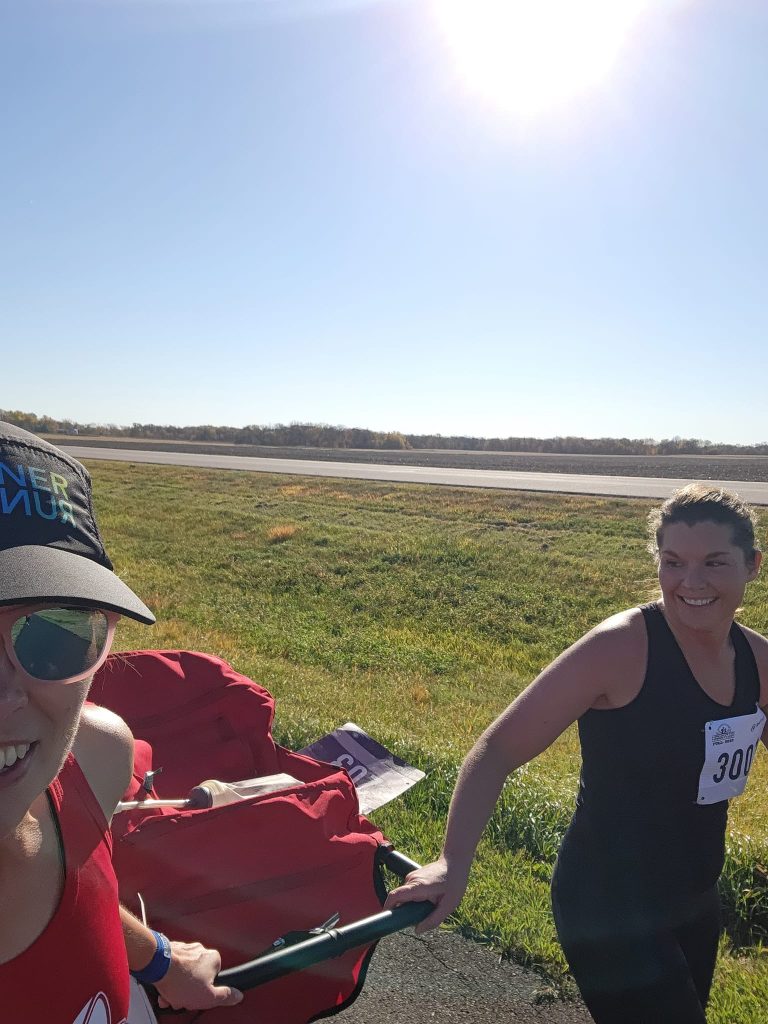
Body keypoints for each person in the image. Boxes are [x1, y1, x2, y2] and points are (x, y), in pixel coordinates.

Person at [385, 484, 768, 1024]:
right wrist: (452, 863)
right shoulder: (621, 648)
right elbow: (496, 750)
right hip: (607, 903)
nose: (692, 582)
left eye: (715, 562)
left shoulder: (757, 660)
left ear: (752, 565)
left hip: (695, 897)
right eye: (673, 562)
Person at [0, 422, 243, 1022]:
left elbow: (86, 884)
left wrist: (158, 959)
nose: (4, 698)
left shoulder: (96, 756)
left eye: (54, 635)